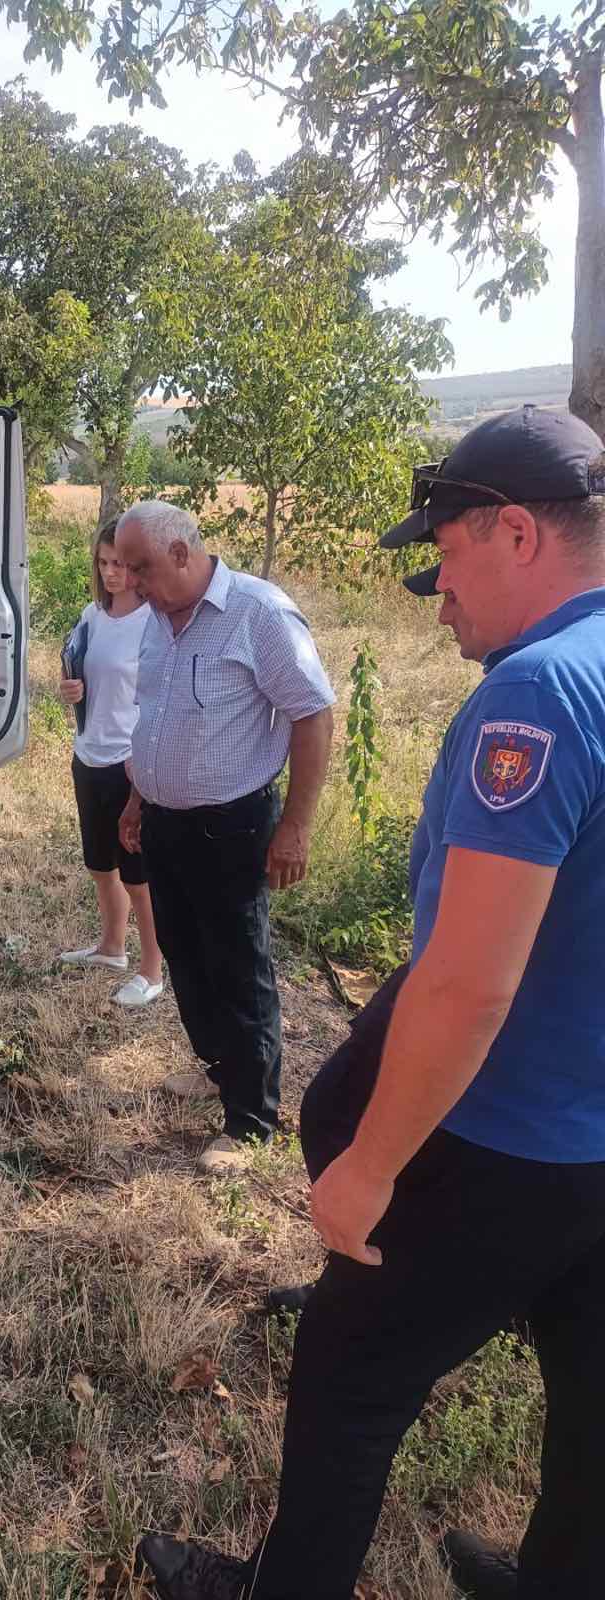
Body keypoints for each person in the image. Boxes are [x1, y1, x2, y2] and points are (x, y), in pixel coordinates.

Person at [137, 405, 605, 1600]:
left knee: (348, 1378)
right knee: (593, 1397)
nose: (430, 587)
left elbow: (469, 977)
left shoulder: (537, 700)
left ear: (514, 532)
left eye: (443, 552)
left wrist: (373, 1165)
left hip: (511, 1130)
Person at [114, 502, 335, 1170]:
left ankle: (251, 1120)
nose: (132, 582)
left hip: (234, 827)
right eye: (126, 569)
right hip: (164, 822)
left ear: (182, 553)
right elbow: (155, 720)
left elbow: (313, 716)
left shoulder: (260, 614)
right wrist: (135, 799)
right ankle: (218, 1070)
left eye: (142, 568)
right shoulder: (154, 622)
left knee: (239, 968)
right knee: (186, 956)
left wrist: (294, 826)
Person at [57, 518, 165, 1006]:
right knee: (100, 862)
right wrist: (70, 689)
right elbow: (76, 670)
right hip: (89, 754)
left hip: (129, 762)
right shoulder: (91, 615)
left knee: (137, 874)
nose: (111, 574)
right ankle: (111, 948)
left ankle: (152, 969)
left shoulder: (154, 622)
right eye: (102, 564)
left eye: (119, 563)